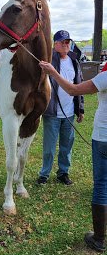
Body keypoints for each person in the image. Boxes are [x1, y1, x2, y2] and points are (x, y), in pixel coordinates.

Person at [39, 59, 107, 253]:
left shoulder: (105, 77)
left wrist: (53, 72)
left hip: (104, 138)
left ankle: (99, 239)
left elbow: (73, 90)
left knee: (102, 185)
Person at [37, 30, 84, 186]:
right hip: (52, 113)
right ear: (55, 44)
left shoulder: (74, 61)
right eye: (62, 42)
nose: (66, 45)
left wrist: (80, 109)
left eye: (67, 42)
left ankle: (63, 173)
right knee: (49, 147)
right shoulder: (48, 60)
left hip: (69, 113)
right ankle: (44, 174)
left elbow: (79, 84)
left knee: (66, 146)